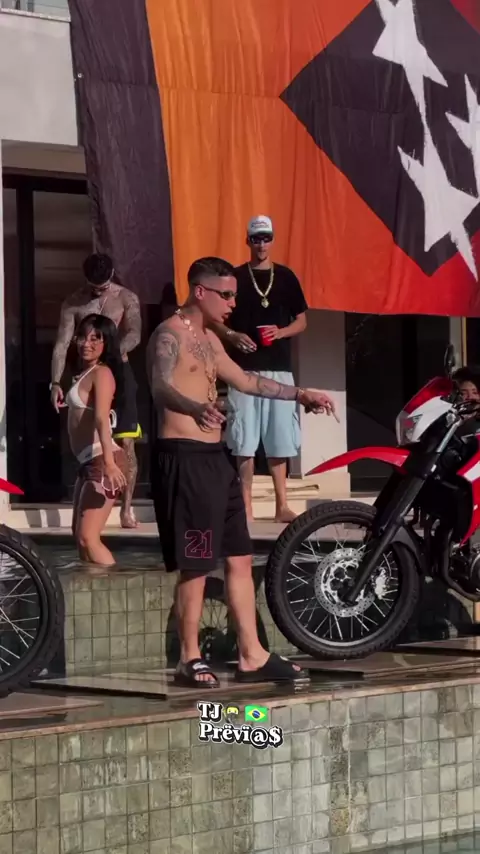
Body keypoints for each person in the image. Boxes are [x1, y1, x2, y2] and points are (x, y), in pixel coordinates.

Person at [147, 256, 337, 687]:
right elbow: (159, 385)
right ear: (200, 292)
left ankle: (252, 655)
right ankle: (189, 658)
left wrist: (300, 394)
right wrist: (194, 407)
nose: (234, 303)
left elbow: (247, 381)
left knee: (239, 556)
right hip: (185, 459)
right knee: (196, 563)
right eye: (227, 295)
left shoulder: (210, 339)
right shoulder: (168, 334)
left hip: (218, 460)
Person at [212, 215, 308, 523]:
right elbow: (215, 319)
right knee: (244, 439)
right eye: (256, 238)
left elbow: (302, 321)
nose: (262, 244)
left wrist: (281, 332)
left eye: (266, 237)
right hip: (244, 370)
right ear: (248, 241)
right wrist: (232, 335)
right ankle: (246, 505)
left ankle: (282, 504)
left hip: (278, 367)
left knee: (280, 437)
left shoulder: (286, 277)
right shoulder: (236, 277)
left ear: (272, 239)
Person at [50, 253, 142, 528]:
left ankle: (127, 508)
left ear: (112, 276)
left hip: (118, 369)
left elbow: (134, 333)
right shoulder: (74, 302)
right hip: (88, 374)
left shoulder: (125, 297)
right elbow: (62, 344)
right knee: (87, 432)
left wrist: (110, 353)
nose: (99, 291)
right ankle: (88, 490)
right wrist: (56, 382)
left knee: (126, 440)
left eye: (103, 286)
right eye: (94, 286)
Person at [67, 314, 127, 566]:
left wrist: (110, 464)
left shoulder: (102, 373)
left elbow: (102, 418)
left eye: (95, 338)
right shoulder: (86, 372)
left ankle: (115, 584)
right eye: (82, 337)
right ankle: (94, 585)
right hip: (89, 461)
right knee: (80, 537)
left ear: (106, 343)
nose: (86, 343)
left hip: (103, 459)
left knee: (89, 538)